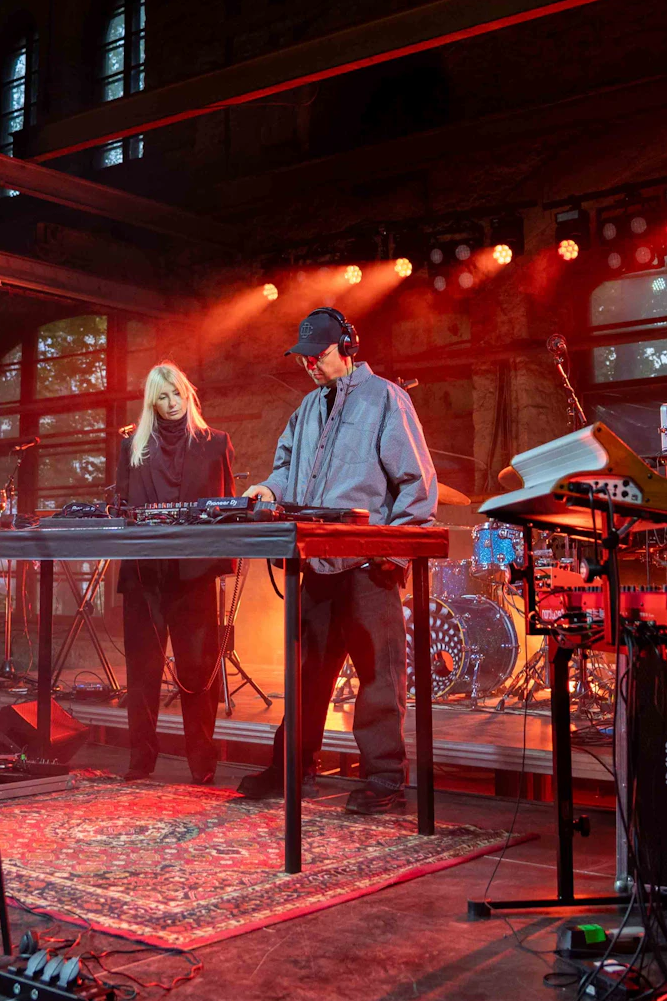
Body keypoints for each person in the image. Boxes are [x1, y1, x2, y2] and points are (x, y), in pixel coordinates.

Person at [239, 307, 437, 814]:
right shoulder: (305, 410)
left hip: (368, 565)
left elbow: (417, 484)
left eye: (319, 355)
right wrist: (268, 487)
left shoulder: (388, 399)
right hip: (316, 560)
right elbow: (286, 469)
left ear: (348, 347)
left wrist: (390, 554)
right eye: (304, 357)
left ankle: (386, 778)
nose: (310, 365)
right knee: (305, 673)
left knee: (378, 677)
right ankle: (291, 767)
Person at [116, 361, 235, 784]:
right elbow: (120, 507)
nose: (171, 404)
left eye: (177, 395)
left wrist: (223, 564)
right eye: (161, 397)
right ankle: (139, 764)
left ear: (189, 395)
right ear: (151, 402)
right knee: (142, 673)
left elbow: (227, 510)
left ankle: (202, 767)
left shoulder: (215, 443)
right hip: (145, 577)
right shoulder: (132, 447)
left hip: (193, 578)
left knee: (198, 675)